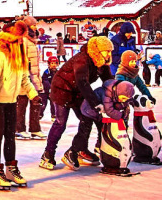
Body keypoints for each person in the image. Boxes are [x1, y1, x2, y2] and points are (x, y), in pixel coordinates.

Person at [40, 36, 113, 171]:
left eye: (110, 51)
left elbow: (109, 81)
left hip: (77, 92)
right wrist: (96, 102)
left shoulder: (101, 62)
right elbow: (82, 82)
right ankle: (48, 154)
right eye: (106, 51)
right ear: (98, 50)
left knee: (88, 118)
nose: (109, 54)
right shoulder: (83, 59)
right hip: (61, 90)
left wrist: (117, 93)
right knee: (60, 123)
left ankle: (80, 150)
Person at [0, 20, 39, 189]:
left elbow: (24, 79)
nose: (23, 40)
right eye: (20, 38)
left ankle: (11, 168)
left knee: (10, 136)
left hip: (11, 101)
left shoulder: (20, 53)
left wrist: (33, 95)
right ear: (12, 38)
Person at [79, 79, 135, 161]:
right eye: (122, 98)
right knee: (85, 131)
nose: (123, 100)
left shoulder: (116, 92)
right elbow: (109, 110)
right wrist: (121, 115)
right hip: (88, 110)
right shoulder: (107, 94)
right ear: (118, 92)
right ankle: (77, 150)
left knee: (102, 129)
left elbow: (126, 102)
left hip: (99, 112)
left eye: (125, 99)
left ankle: (99, 146)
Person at [15, 16, 45, 140]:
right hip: (24, 77)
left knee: (36, 102)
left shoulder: (32, 40)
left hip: (34, 76)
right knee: (21, 103)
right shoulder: (22, 40)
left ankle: (35, 129)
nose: (35, 27)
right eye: (33, 25)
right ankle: (19, 128)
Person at [41, 56, 59, 121]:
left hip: (53, 91)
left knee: (53, 103)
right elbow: (45, 81)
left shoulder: (58, 72)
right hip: (45, 91)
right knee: (43, 103)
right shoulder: (46, 72)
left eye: (55, 63)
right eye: (52, 63)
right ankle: (40, 114)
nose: (54, 65)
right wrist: (49, 88)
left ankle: (54, 115)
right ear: (48, 64)